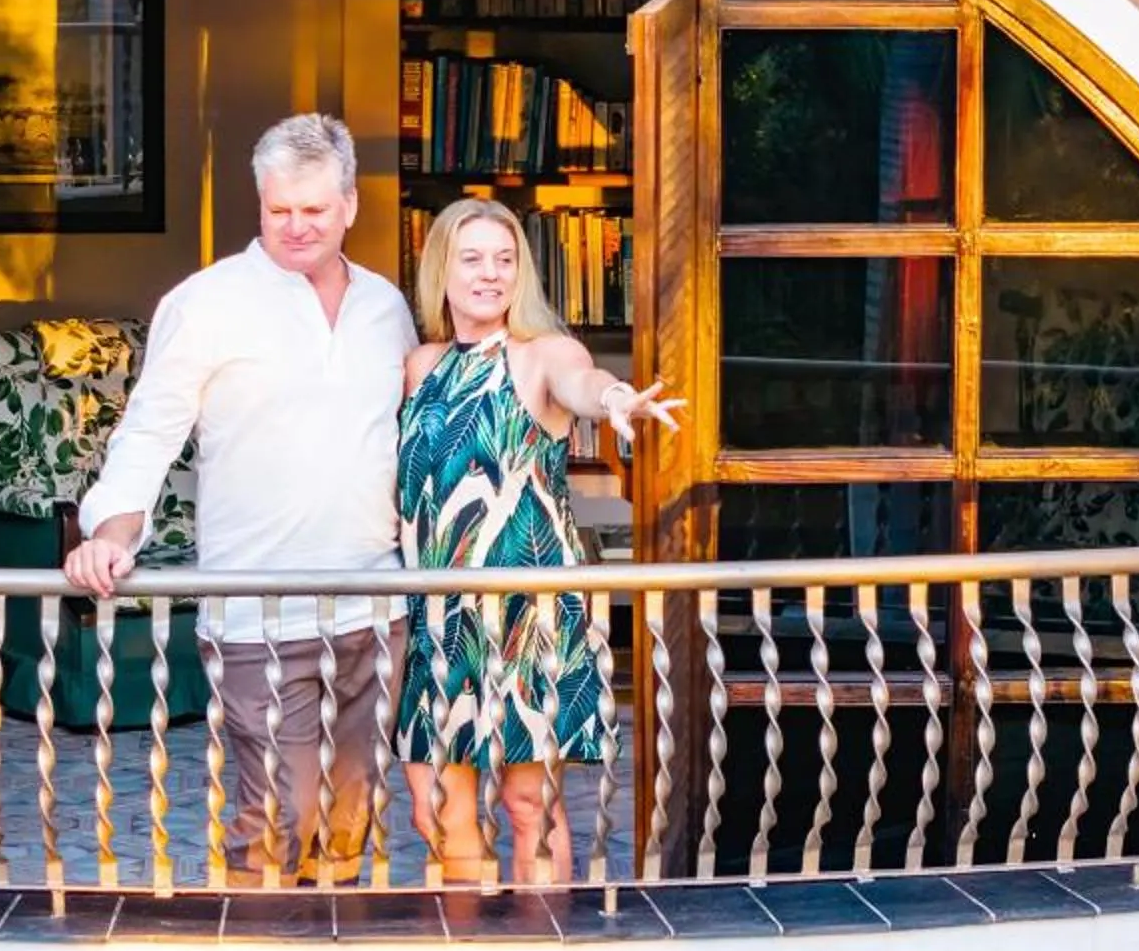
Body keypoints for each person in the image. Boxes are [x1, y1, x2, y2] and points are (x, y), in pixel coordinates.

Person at [66, 114, 416, 886]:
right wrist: (110, 531)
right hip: (258, 617)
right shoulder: (206, 303)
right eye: (278, 210)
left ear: (350, 206)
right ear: (259, 203)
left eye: (315, 211)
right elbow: (149, 434)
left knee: (350, 819)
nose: (296, 227)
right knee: (275, 817)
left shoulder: (386, 307)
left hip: (374, 606)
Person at [394, 197, 683, 884]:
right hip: (438, 619)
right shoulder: (420, 366)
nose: (489, 274)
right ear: (442, 269)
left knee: (529, 803)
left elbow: (582, 384)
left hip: (530, 617)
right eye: (472, 258)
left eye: (505, 258)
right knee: (435, 809)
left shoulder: (542, 354)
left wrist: (616, 400)